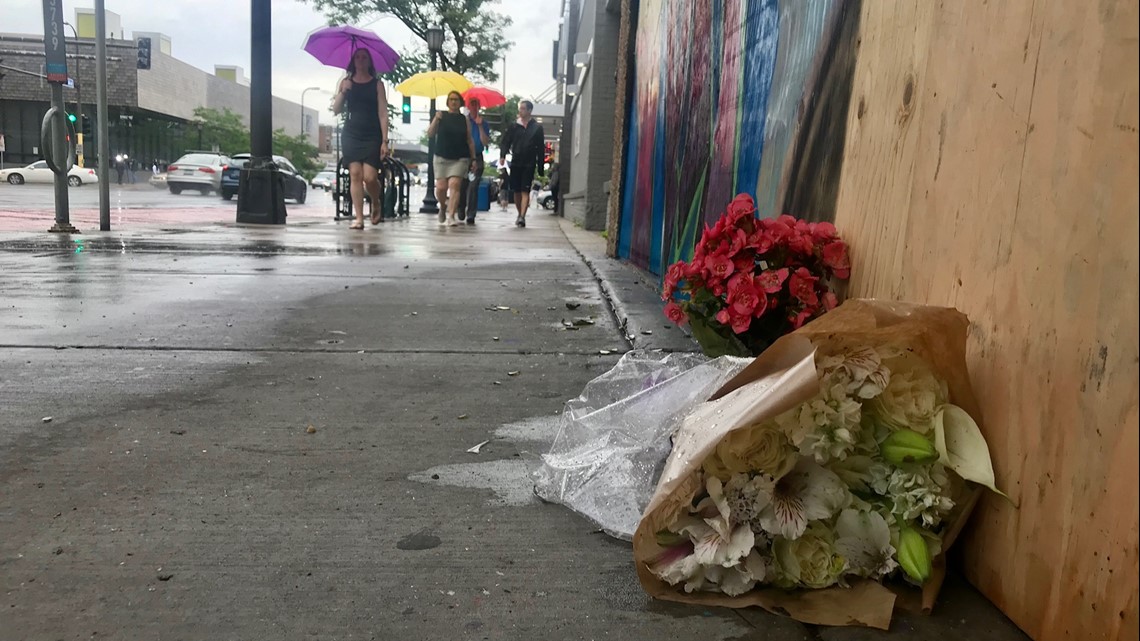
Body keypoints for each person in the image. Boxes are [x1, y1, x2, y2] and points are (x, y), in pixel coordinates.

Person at [331, 48, 390, 230]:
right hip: (351, 133)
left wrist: (384, 140)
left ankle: (375, 201)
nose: (361, 60)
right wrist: (343, 92)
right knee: (355, 174)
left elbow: (382, 113)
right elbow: (336, 109)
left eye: (364, 57)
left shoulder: (377, 84)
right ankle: (358, 218)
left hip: (372, 134)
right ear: (353, 60)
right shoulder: (346, 82)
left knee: (370, 177)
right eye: (357, 57)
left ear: (370, 61)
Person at [427, 91, 477, 226]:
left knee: (455, 185)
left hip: (460, 157)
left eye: (456, 99)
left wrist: (474, 159)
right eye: (451, 99)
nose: (453, 102)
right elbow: (430, 133)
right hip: (441, 156)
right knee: (441, 187)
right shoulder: (441, 116)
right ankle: (443, 206)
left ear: (460, 102)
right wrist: (436, 119)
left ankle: (451, 216)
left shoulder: (464, 119)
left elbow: (470, 140)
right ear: (447, 102)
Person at [499, 100, 545, 227]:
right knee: (516, 191)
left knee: (525, 191)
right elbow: (506, 141)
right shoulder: (514, 126)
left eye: (523, 109)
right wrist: (502, 155)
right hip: (516, 162)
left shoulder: (537, 128)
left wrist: (540, 166)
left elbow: (540, 148)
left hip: (529, 163)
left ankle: (522, 216)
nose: (520, 111)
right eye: (520, 108)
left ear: (529, 111)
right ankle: (519, 213)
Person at [456, 97, 491, 225]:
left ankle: (471, 214)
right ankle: (460, 208)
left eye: (477, 104)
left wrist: (480, 126)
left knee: (473, 186)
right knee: (462, 185)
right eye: (472, 104)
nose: (474, 107)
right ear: (468, 106)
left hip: (478, 155)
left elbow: (485, 142)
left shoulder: (484, 123)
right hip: (464, 156)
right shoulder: (464, 121)